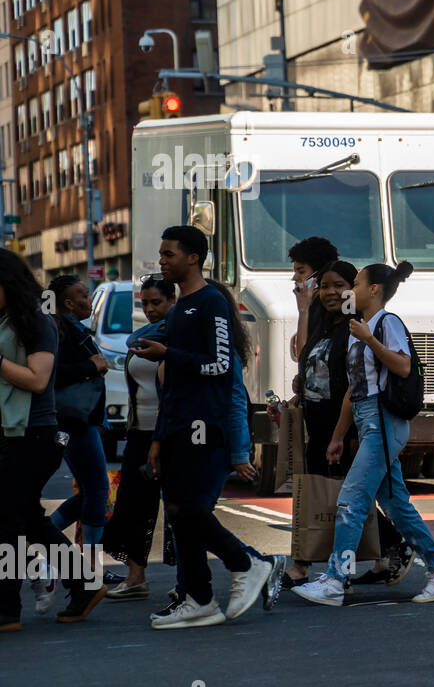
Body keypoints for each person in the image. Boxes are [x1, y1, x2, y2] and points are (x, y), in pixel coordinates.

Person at [293, 261, 434, 606]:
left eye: (358, 283)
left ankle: (336, 579)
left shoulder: (386, 323)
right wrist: (338, 436)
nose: (352, 289)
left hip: (383, 421)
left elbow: (403, 365)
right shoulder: (364, 327)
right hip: (370, 421)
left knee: (351, 501)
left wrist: (370, 340)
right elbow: (354, 390)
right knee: (396, 505)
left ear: (374, 290)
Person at [134, 227, 272, 629]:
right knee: (176, 512)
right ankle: (200, 598)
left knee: (191, 508)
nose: (162, 260)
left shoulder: (211, 302)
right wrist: (159, 438)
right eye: (160, 254)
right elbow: (171, 385)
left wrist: (168, 353)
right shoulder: (179, 309)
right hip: (176, 422)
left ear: (193, 257)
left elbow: (221, 365)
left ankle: (245, 563)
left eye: (169, 254)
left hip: (202, 421)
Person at [286, 260, 410, 590]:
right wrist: (303, 311)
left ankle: (336, 574)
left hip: (357, 423)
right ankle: (401, 553)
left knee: (352, 500)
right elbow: (303, 356)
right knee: (348, 496)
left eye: (342, 285)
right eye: (325, 286)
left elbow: (368, 380)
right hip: (322, 420)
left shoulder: (360, 326)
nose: (332, 292)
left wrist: (344, 434)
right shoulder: (325, 323)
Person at [0, 251, 108, 629]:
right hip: (9, 432)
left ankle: (7, 608)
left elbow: (38, 379)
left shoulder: (38, 322)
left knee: (9, 519)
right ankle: (83, 584)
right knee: (27, 518)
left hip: (33, 434)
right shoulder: (4, 322)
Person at [101, 275, 176, 600]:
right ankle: (136, 576)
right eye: (144, 303)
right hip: (140, 431)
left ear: (172, 301)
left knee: (179, 507)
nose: (149, 309)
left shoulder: (182, 334)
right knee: (132, 504)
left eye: (156, 302)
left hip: (172, 433)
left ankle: (187, 580)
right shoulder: (138, 337)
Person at [47, 275, 111, 552]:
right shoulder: (60, 331)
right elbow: (51, 375)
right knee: (98, 490)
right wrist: (91, 366)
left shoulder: (72, 328)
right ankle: (91, 563)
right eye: (84, 296)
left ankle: (38, 537)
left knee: (90, 490)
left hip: (81, 419)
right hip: (74, 421)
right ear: (69, 303)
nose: (90, 300)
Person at [288, 236, 339, 368]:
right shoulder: (313, 306)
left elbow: (302, 356)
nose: (295, 277)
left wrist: (303, 311)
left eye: (301, 271)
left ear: (318, 275)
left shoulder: (328, 310)